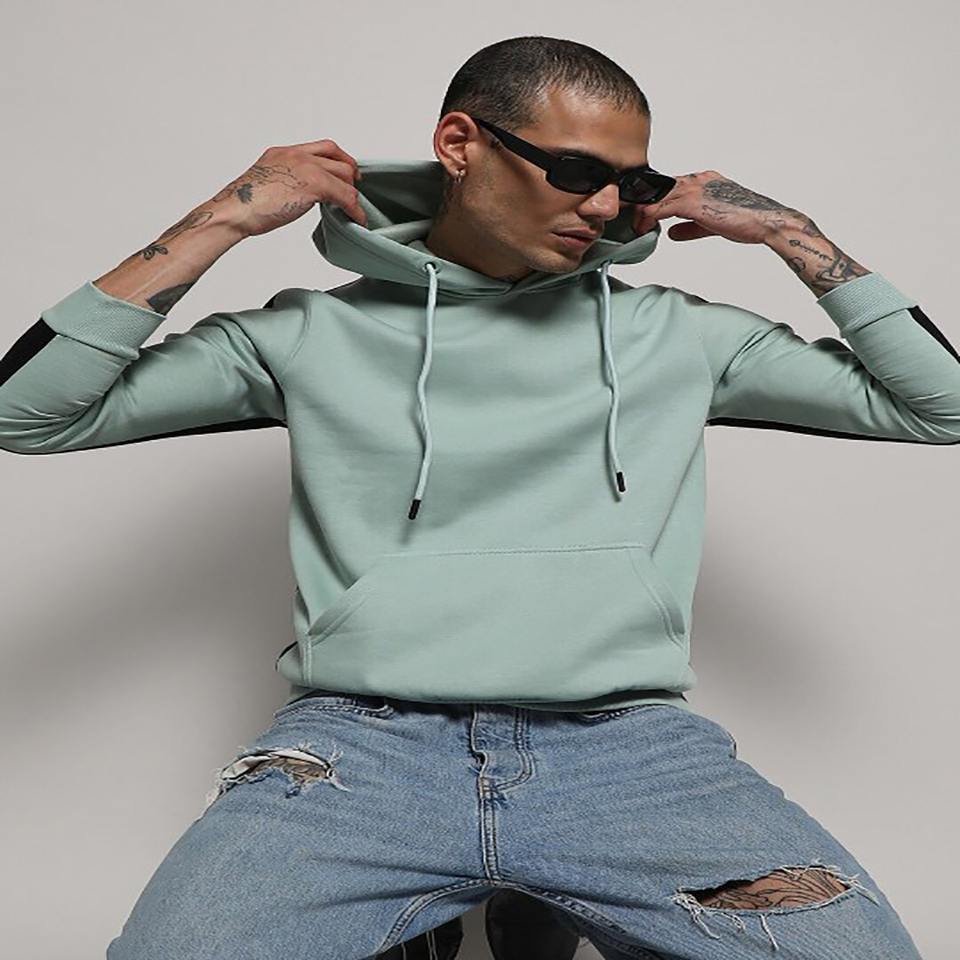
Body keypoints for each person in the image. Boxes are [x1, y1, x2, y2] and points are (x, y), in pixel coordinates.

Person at [1, 34, 948, 960]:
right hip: (363, 752)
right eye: (575, 171)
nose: (606, 206)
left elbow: (939, 407)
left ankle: (533, 895)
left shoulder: (679, 336)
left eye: (629, 182)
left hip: (628, 750)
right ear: (460, 144)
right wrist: (223, 217)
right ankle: (439, 909)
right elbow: (25, 413)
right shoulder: (310, 337)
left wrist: (790, 233)